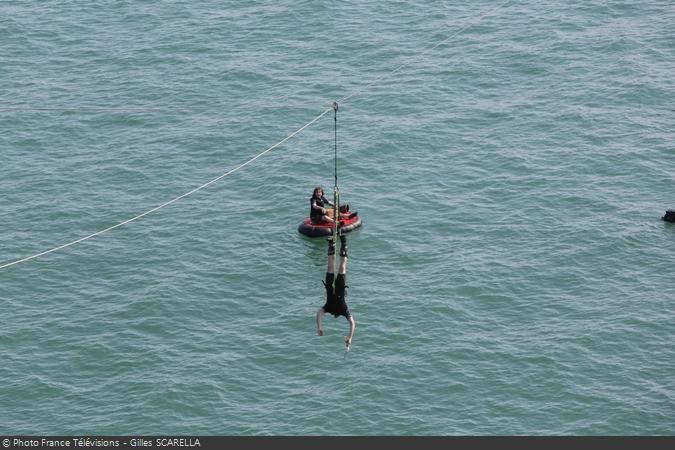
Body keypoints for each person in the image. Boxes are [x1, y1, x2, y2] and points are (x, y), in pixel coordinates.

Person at [316, 233, 356, 348]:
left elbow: (352, 324)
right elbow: (319, 314)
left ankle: (335, 243)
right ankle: (339, 243)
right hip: (337, 287)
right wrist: (319, 327)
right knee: (335, 267)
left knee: (338, 267)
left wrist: (350, 336)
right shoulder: (341, 310)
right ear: (335, 316)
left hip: (334, 286)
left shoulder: (332, 308)